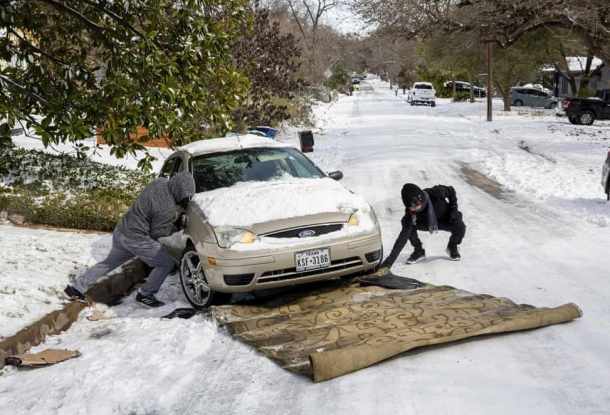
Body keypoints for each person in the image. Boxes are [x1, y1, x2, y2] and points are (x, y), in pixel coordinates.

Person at [65, 171, 196, 308]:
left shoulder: (159, 182)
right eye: (184, 196)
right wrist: (176, 226)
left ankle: (76, 288)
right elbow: (157, 233)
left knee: (109, 263)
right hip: (137, 238)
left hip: (122, 230)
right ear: (179, 190)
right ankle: (145, 294)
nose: (185, 199)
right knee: (166, 262)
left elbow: (153, 206)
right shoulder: (167, 209)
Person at [379, 183, 466, 271]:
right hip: (425, 223)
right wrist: (388, 263)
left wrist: (453, 208)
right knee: (407, 224)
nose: (416, 209)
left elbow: (451, 190)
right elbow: (402, 238)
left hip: (445, 219)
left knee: (460, 226)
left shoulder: (436, 192)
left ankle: (452, 246)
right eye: (412, 207)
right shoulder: (411, 214)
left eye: (417, 205)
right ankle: (419, 251)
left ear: (421, 198)